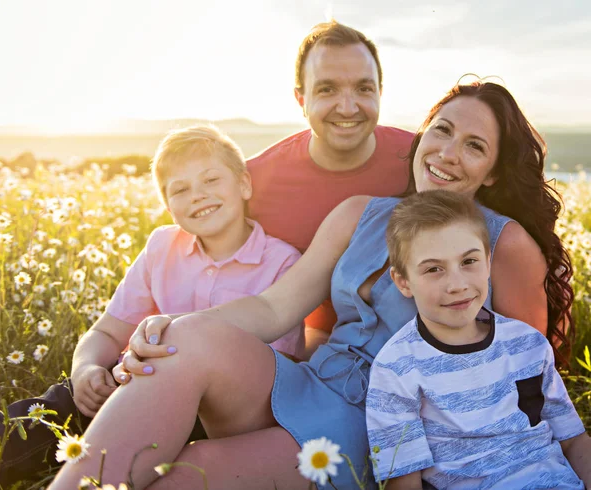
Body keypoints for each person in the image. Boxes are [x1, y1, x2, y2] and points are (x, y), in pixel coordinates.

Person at [49, 80, 575, 490]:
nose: (447, 152)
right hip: (314, 382)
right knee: (187, 337)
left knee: (192, 473)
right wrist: (172, 325)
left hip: (386, 426)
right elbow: (274, 307)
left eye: (474, 145)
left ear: (491, 172)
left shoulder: (504, 244)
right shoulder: (359, 215)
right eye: (441, 130)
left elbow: (519, 377)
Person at [0, 125, 303, 486]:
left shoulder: (281, 263)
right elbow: (107, 329)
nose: (198, 196)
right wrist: (86, 369)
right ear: (168, 206)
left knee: (159, 460)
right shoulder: (161, 247)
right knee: (45, 415)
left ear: (245, 185)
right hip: (127, 382)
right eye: (180, 190)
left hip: (206, 411)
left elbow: (270, 379)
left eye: (211, 180)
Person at [366, 190, 590, 489]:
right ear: (403, 281)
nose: (457, 285)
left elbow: (574, 441)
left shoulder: (528, 344)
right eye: (434, 269)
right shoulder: (395, 369)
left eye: (469, 261)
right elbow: (402, 481)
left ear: (487, 262)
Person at [246, 20, 414, 353]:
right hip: (304, 352)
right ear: (300, 98)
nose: (348, 107)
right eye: (327, 89)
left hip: (413, 348)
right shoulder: (253, 182)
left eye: (363, 89)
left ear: (380, 92)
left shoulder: (421, 162)